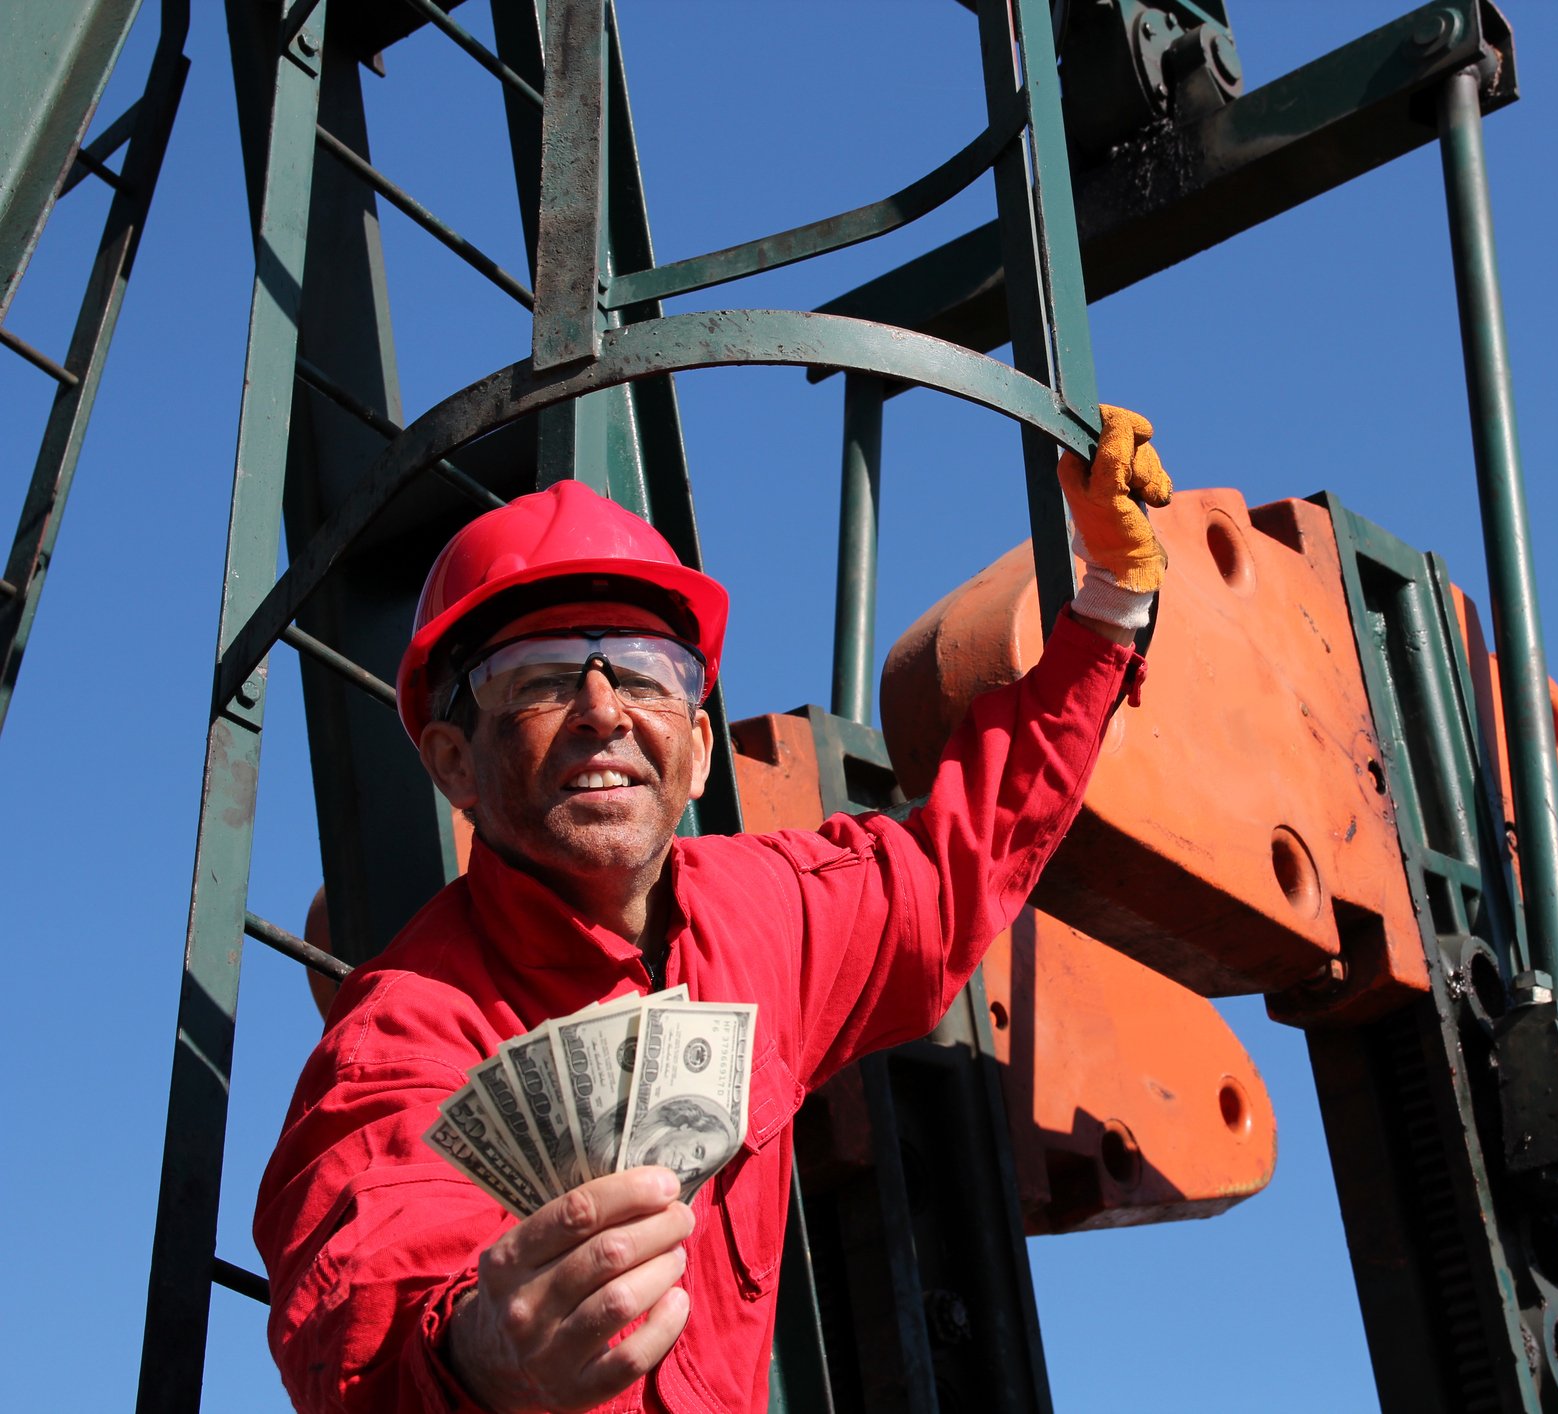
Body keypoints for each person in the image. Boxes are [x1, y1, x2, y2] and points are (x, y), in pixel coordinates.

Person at [254, 406, 1174, 1414]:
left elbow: (964, 853)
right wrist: (473, 1364)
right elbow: (361, 1315)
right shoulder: (402, 1041)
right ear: (451, 762)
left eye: (644, 673)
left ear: (697, 750)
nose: (604, 711)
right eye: (541, 678)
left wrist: (1111, 602)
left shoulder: (766, 915)